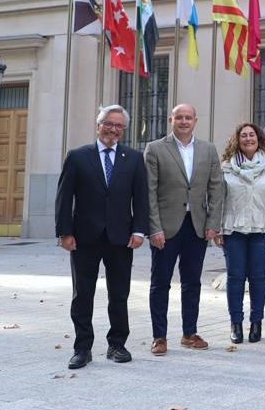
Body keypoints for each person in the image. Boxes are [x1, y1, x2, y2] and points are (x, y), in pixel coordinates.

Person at [55, 105, 148, 369]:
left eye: (119, 126)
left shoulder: (133, 158)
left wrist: (139, 230)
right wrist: (64, 232)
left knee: (119, 294)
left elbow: (141, 198)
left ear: (124, 130)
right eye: (109, 123)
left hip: (121, 238)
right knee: (82, 294)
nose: (113, 129)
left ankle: (117, 344)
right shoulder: (77, 157)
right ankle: (82, 348)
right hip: (84, 237)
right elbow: (64, 198)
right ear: (98, 125)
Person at [143, 103, 225, 356]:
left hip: (196, 226)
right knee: (160, 283)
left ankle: (189, 333)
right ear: (171, 120)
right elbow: (149, 192)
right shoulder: (155, 149)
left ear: (195, 121)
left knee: (192, 282)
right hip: (166, 227)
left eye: (188, 117)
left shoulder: (208, 149)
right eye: (179, 117)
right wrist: (153, 228)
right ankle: (159, 336)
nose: (184, 121)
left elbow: (217, 188)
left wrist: (213, 224)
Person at [217, 123, 265, 344]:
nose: (248, 138)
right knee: (235, 278)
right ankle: (235, 323)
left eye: (252, 135)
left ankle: (257, 323)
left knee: (258, 278)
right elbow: (218, 199)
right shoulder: (226, 167)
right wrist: (217, 228)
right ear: (237, 140)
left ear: (259, 139)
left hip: (261, 229)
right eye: (243, 135)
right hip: (233, 229)